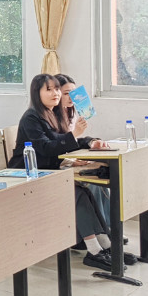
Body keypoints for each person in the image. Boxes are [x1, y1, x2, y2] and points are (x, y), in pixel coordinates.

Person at [8, 74, 129, 271]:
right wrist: (74, 136)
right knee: (77, 193)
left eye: (56, 89)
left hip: (47, 172)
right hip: (26, 175)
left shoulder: (51, 114)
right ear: (36, 93)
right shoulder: (31, 118)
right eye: (49, 89)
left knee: (86, 191)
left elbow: (63, 139)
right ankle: (95, 251)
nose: (55, 93)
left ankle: (106, 245)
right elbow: (47, 147)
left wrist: (89, 140)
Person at [55, 74, 113, 228]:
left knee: (102, 181)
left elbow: (75, 141)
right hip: (55, 167)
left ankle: (109, 227)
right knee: (92, 183)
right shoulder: (50, 117)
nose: (71, 97)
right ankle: (103, 231)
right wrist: (71, 161)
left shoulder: (69, 113)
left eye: (73, 93)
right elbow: (54, 146)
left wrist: (92, 141)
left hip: (66, 163)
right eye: (66, 93)